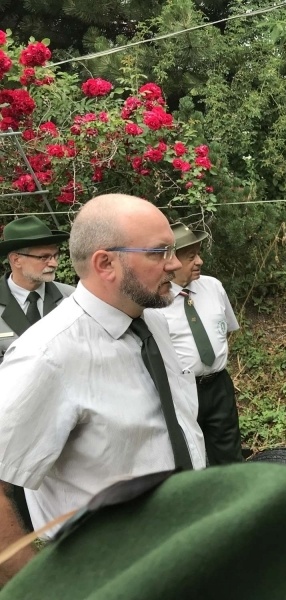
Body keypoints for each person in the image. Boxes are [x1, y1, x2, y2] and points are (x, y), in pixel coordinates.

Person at [0, 194, 206, 582]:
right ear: (106, 263)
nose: (175, 263)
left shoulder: (152, 321)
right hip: (112, 576)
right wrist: (33, 589)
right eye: (159, 252)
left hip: (183, 554)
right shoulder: (47, 355)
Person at [153, 222, 243, 465]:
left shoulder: (212, 286)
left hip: (218, 384)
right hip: (180, 390)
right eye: (191, 257)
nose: (200, 261)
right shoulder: (154, 301)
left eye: (199, 254)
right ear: (170, 261)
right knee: (188, 456)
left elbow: (226, 330)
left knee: (229, 455)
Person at [0, 215, 75, 362]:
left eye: (55, 255)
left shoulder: (72, 298)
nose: (54, 263)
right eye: (44, 257)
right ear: (16, 260)